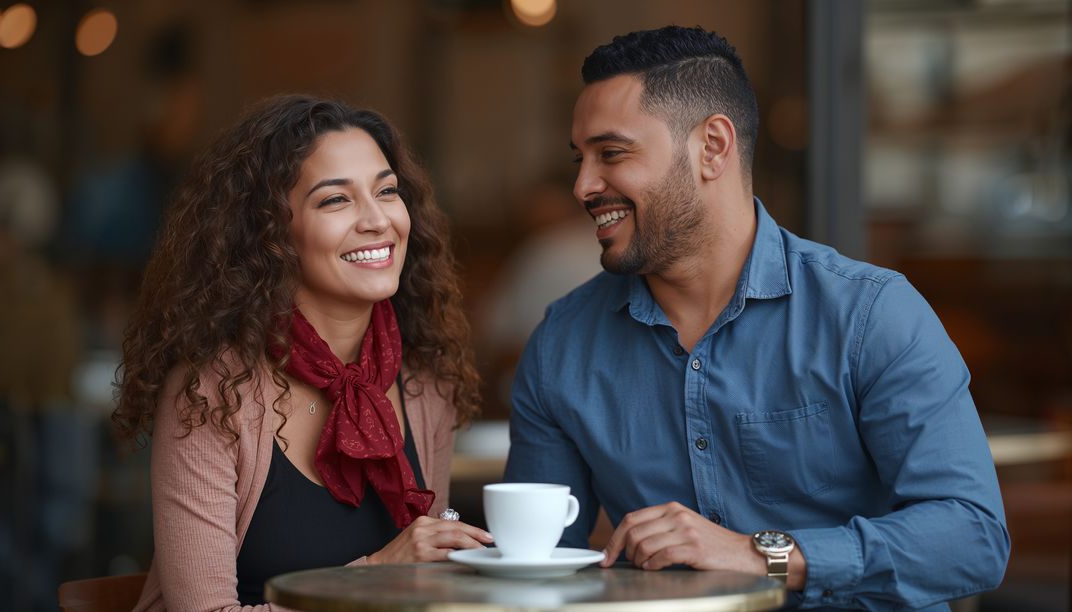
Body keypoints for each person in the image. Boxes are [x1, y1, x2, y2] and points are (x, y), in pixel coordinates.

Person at [503, 26, 1009, 610]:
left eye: (611, 154)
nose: (583, 185)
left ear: (713, 147)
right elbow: (537, 566)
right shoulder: (562, 344)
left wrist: (761, 554)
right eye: (580, 158)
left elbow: (973, 537)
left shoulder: (869, 314)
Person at [113, 95, 492, 611]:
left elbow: (426, 588)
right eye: (335, 200)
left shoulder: (424, 381)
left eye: (387, 191)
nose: (378, 220)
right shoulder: (213, 395)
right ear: (270, 234)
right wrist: (377, 575)